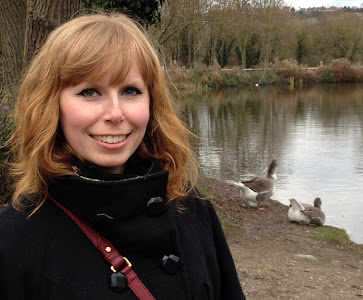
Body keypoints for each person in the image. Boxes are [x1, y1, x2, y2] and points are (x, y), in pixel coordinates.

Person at [0, 13, 245, 299]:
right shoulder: (16, 239)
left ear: (152, 103)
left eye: (130, 91)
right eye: (90, 92)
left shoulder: (192, 210)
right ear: (50, 105)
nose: (115, 114)